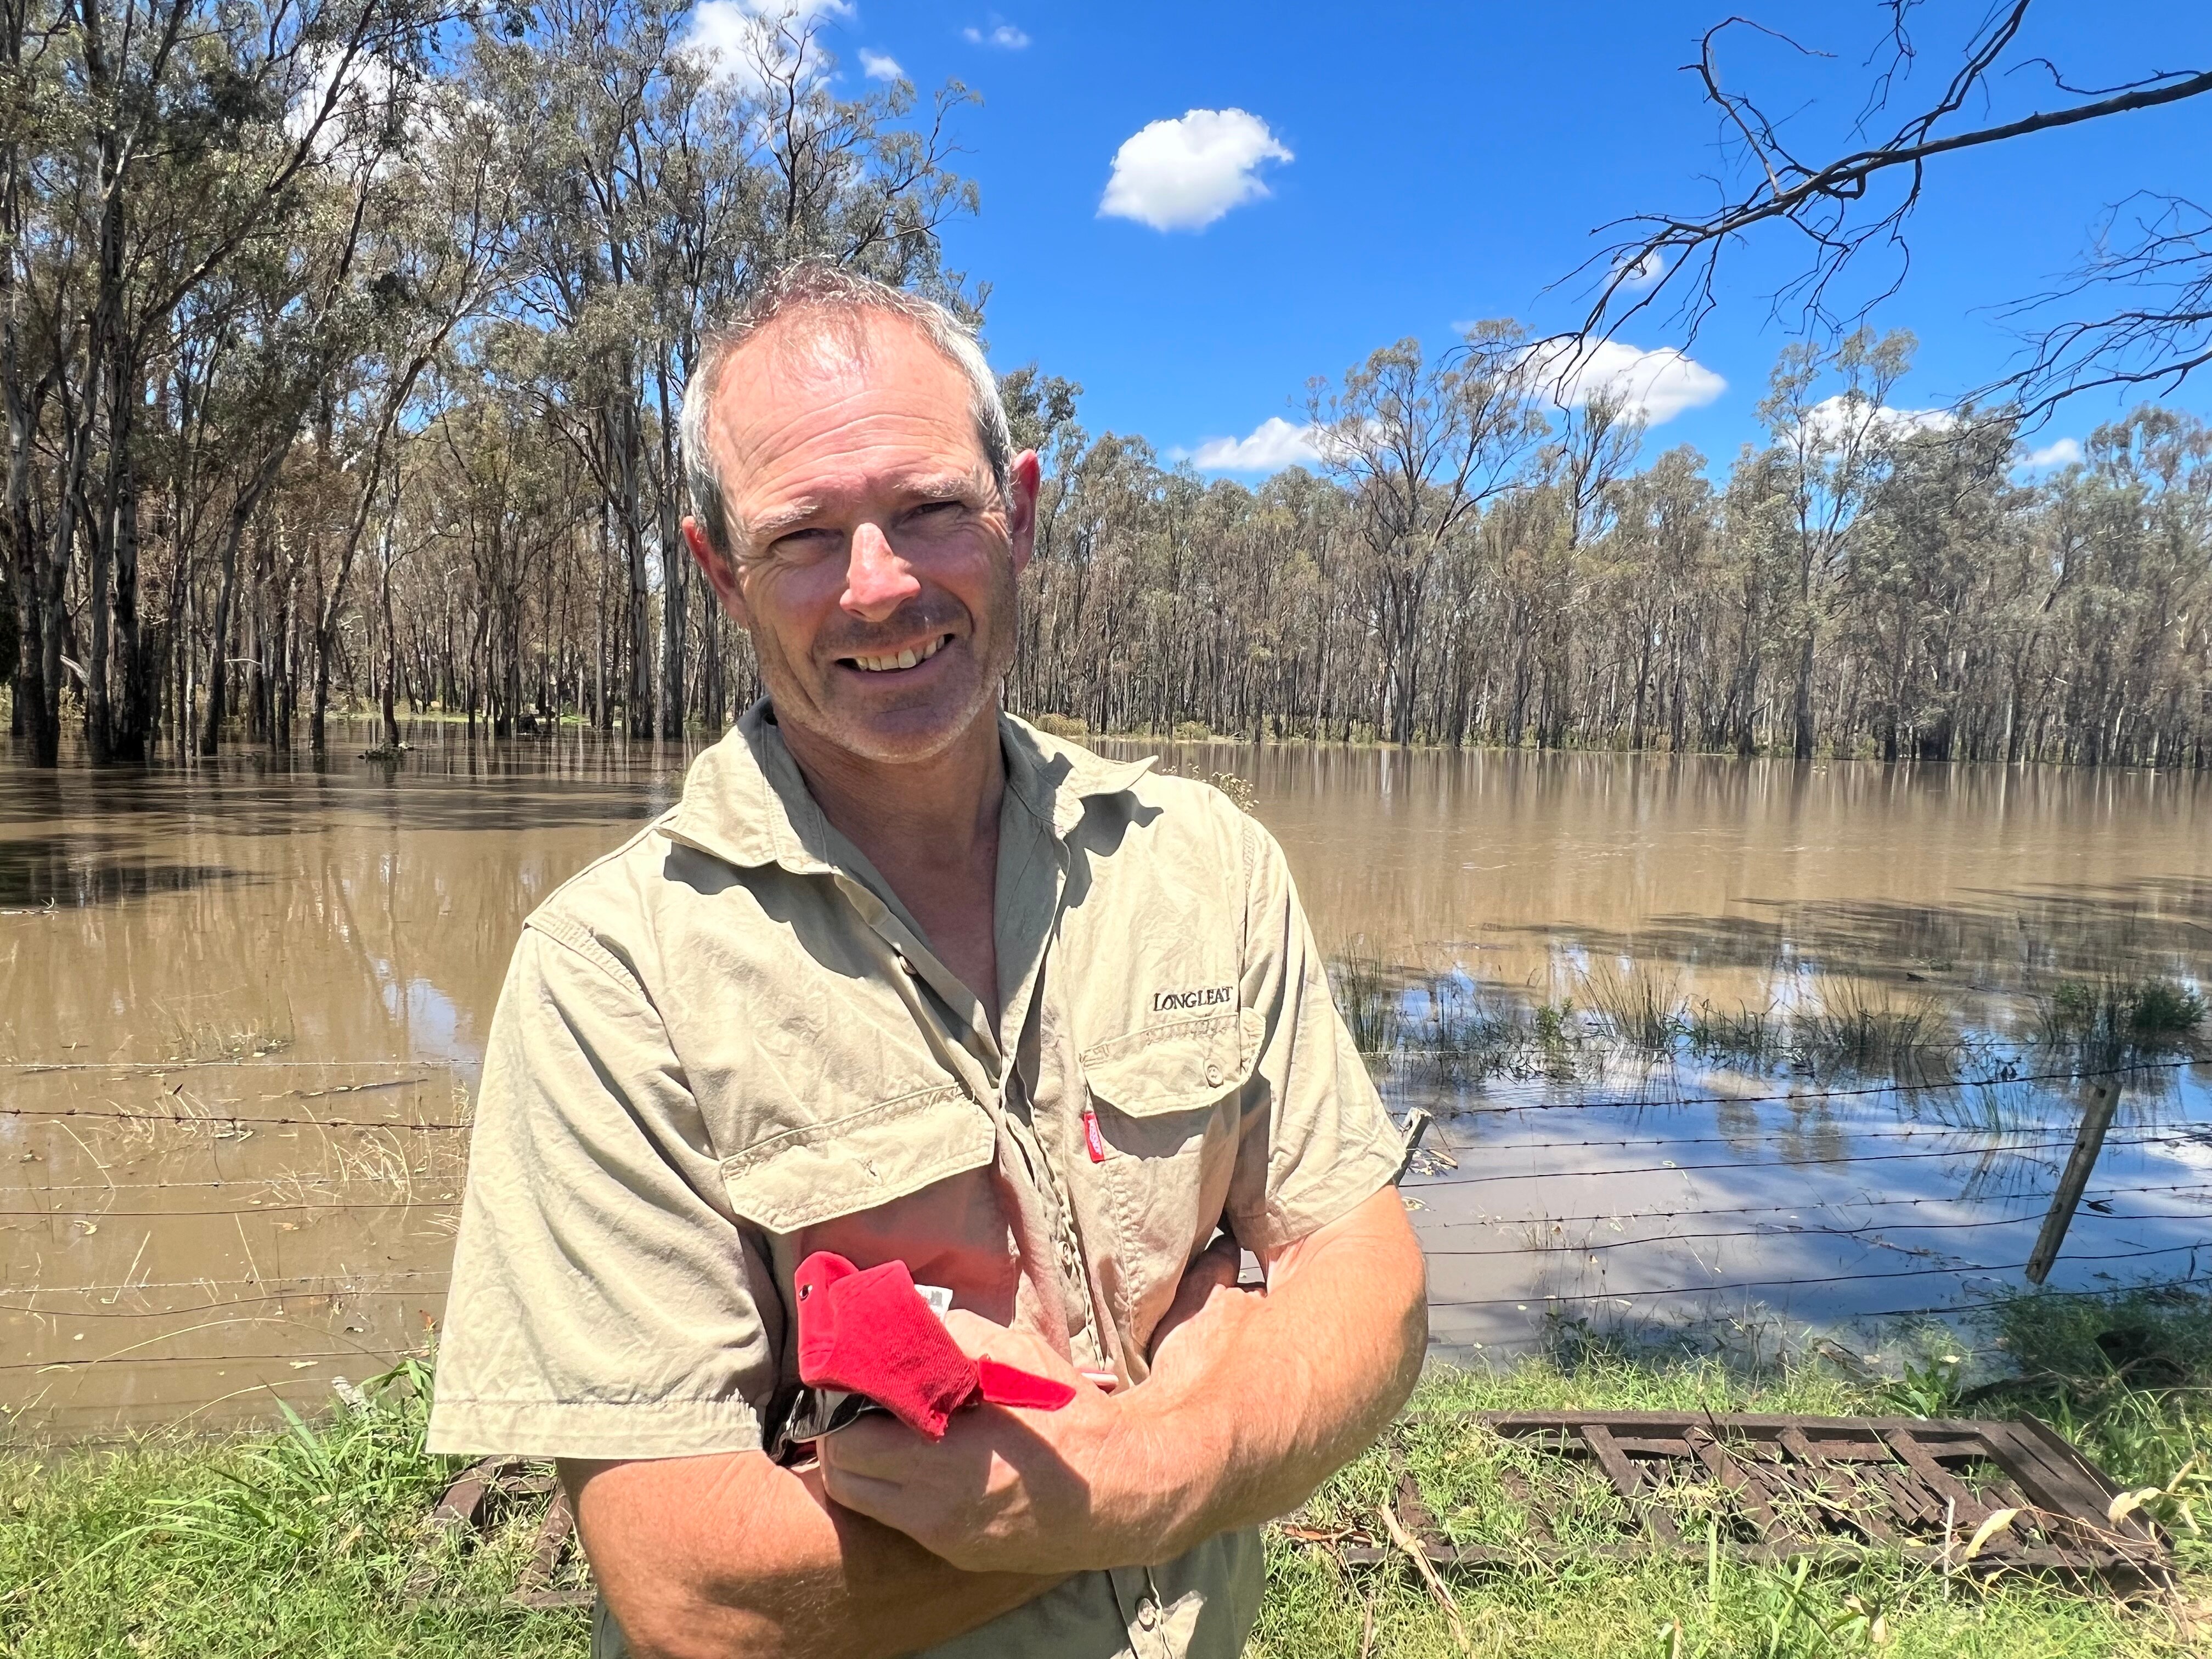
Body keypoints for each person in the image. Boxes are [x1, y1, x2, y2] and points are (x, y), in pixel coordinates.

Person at [426, 261, 1429, 1659]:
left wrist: (1158, 1466)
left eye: (930, 510)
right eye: (804, 536)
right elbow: (692, 1584)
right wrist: (1172, 1440)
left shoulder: (1206, 863)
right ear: (720, 574)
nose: (881, 585)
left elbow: (1366, 1271)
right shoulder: (613, 974)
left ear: (1019, 513)